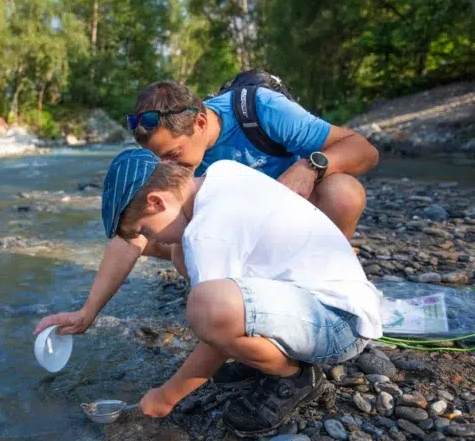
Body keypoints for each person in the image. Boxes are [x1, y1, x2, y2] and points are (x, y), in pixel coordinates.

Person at [34, 77, 380, 387]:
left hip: (300, 229)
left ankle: (298, 318)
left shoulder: (260, 110)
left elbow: (364, 150)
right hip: (247, 245)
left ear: (200, 122)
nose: (168, 168)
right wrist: (89, 311)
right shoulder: (190, 178)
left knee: (344, 192)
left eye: (172, 155)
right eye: (158, 160)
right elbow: (133, 232)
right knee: (181, 249)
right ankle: (251, 329)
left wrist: (311, 166)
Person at [44, 148, 383, 435]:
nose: (152, 239)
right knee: (194, 276)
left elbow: (215, 323)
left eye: (145, 229)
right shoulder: (220, 175)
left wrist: (166, 396)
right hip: (332, 300)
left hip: (340, 326)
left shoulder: (207, 232)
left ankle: (294, 377)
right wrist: (88, 311)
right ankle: (267, 357)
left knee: (206, 308)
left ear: (157, 200)